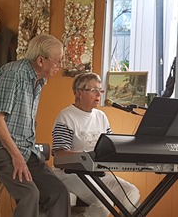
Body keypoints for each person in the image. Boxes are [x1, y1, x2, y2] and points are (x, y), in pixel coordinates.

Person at [0, 34, 71, 217]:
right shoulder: (14, 73)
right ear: (41, 60)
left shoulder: (39, 81)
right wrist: (17, 156)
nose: (60, 66)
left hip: (23, 149)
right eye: (57, 61)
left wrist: (23, 154)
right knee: (29, 194)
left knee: (58, 192)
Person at [52, 72, 140, 217]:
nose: (98, 94)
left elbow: (110, 148)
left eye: (100, 90)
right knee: (104, 202)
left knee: (132, 194)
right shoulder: (66, 117)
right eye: (93, 90)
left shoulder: (101, 117)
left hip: (98, 172)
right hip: (71, 173)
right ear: (78, 93)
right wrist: (88, 157)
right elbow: (60, 156)